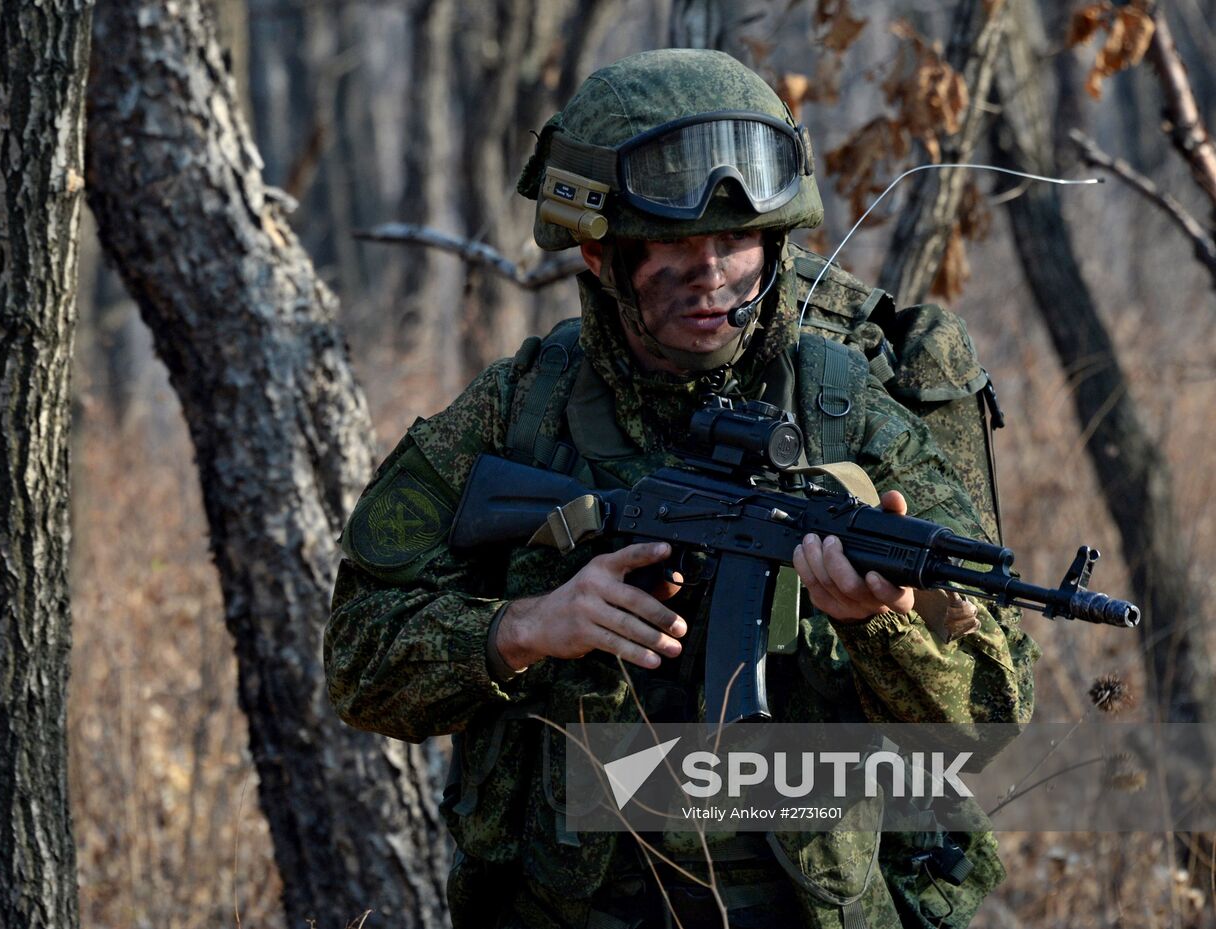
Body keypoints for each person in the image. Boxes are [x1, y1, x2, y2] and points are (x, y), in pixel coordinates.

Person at [326, 48, 1038, 929]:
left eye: (736, 241)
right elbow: (357, 659)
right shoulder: (521, 411)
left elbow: (992, 718)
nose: (712, 276)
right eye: (673, 246)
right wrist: (523, 628)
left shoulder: (850, 413)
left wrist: (882, 627)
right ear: (598, 252)